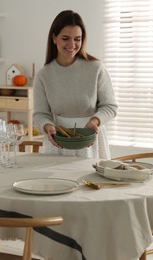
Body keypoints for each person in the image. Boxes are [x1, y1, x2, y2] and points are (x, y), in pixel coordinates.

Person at [33, 10, 118, 159]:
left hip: (91, 139)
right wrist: (47, 127)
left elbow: (110, 106)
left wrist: (95, 121)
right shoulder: (44, 75)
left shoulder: (95, 68)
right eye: (65, 38)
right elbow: (40, 114)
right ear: (54, 38)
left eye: (77, 39)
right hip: (59, 141)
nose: (72, 44)